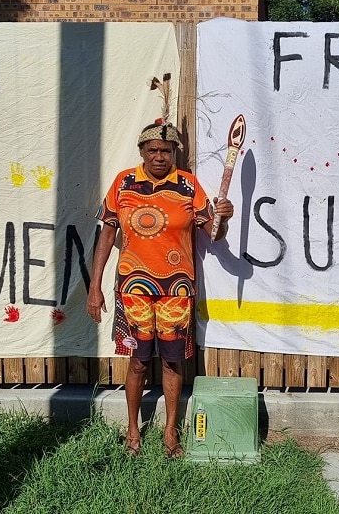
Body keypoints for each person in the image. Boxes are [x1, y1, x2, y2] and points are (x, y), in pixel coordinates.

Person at [87, 118, 233, 458]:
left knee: (171, 362)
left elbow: (214, 235)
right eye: (152, 150)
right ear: (141, 151)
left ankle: (170, 432)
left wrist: (223, 218)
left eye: (166, 151)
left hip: (176, 290)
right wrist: (95, 286)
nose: (159, 156)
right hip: (133, 288)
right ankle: (133, 430)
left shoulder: (188, 186)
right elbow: (107, 235)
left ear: (174, 153)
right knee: (138, 361)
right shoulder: (123, 183)